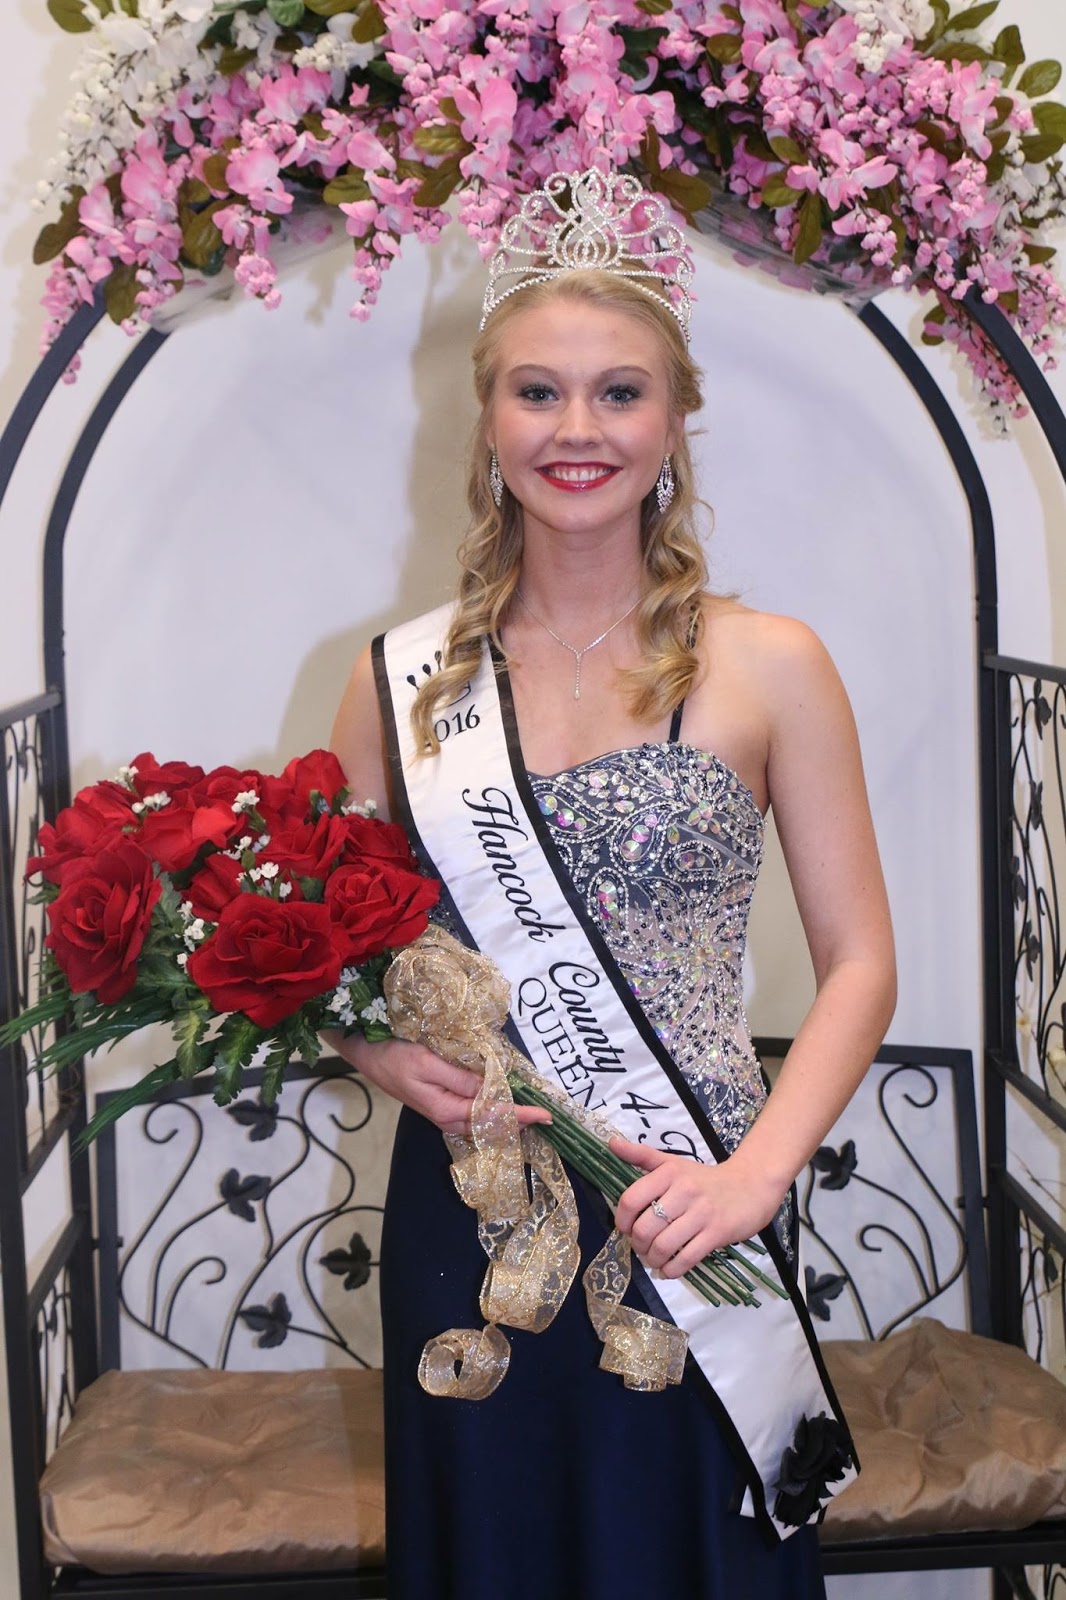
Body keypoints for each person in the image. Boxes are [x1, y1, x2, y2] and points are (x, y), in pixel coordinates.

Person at [329, 169, 896, 1600]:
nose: (576, 431)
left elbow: (859, 963)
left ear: (673, 421)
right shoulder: (393, 682)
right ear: (488, 420)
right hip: (474, 1206)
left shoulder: (772, 664)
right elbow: (325, 961)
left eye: (617, 393)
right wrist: (376, 1052)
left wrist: (756, 1178)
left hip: (695, 1193)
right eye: (537, 393)